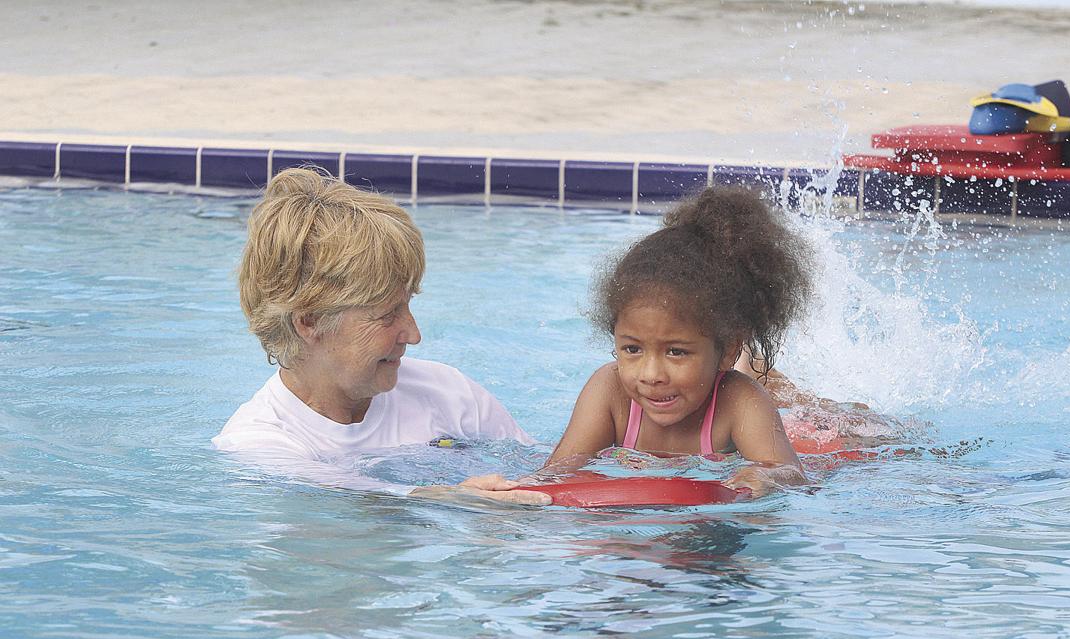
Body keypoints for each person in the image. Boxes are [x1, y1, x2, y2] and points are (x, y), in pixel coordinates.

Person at [213, 167, 548, 506]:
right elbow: (342, 495)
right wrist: (452, 499)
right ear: (310, 321)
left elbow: (546, 477)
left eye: (407, 305)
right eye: (388, 315)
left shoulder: (449, 393)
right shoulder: (255, 445)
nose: (413, 334)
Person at [543, 185, 814, 497]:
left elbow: (793, 474)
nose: (651, 374)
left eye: (676, 352)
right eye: (632, 349)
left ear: (728, 350)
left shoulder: (740, 402)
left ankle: (760, 371)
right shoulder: (610, 391)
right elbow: (556, 474)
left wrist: (768, 476)